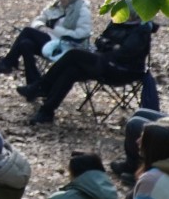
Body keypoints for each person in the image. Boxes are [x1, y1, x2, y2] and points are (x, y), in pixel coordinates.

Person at [18, 10, 153, 125]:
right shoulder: (116, 23)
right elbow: (100, 41)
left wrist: (109, 46)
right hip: (104, 62)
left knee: (74, 54)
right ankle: (46, 111)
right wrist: (110, 46)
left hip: (123, 70)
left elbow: (124, 54)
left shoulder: (141, 30)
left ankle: (42, 86)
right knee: (71, 71)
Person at [0, 0, 93, 82]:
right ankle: (33, 83)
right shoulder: (56, 6)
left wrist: (57, 31)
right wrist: (41, 27)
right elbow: (38, 19)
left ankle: (8, 63)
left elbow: (83, 34)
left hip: (65, 45)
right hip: (49, 39)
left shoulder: (82, 11)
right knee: (25, 44)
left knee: (27, 31)